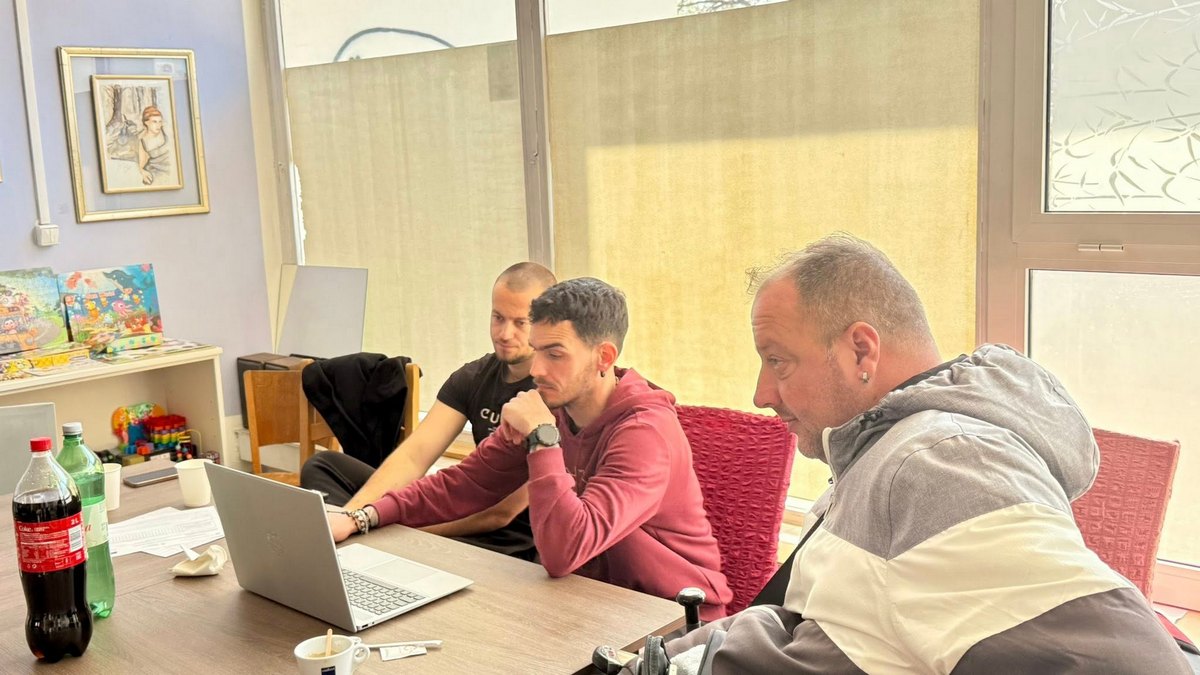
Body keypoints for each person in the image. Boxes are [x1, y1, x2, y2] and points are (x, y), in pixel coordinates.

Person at [629, 234, 1190, 674]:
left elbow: (1127, 664)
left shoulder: (938, 464)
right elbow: (837, 630)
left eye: (778, 361)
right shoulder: (882, 455)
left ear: (861, 350)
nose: (761, 393)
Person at [328, 277, 733, 619]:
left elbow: (564, 552)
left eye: (555, 354)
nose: (537, 369)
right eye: (537, 350)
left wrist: (542, 437)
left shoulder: (644, 432)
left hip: (672, 618)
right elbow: (465, 484)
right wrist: (362, 517)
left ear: (603, 357)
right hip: (589, 602)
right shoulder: (553, 406)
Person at [301, 262, 556, 560]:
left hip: (507, 541)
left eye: (520, 323)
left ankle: (368, 541)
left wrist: (382, 526)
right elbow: (413, 457)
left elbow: (501, 514)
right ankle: (346, 536)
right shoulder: (472, 378)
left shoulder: (553, 392)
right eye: (498, 317)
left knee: (393, 538)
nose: (504, 333)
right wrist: (350, 516)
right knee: (324, 466)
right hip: (455, 507)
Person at [137, 106, 173, 186]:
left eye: (160, 122)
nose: (158, 125)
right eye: (154, 122)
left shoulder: (166, 132)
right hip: (154, 172)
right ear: (146, 122)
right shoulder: (143, 141)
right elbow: (141, 165)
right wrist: (142, 172)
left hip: (171, 169)